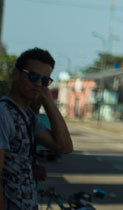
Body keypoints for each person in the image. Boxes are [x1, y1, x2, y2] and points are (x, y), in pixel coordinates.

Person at [0, 48, 73, 210]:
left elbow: (64, 146)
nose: (39, 84)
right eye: (33, 76)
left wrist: (48, 100)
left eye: (45, 80)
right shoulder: (3, 115)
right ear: (16, 75)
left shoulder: (27, 117)